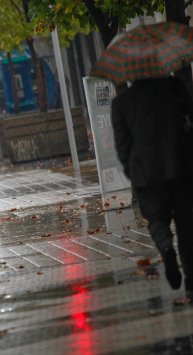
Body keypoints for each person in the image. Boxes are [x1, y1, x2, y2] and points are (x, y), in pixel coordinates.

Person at [112, 76, 193, 302]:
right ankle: (191, 281)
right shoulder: (173, 87)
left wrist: (133, 173)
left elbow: (123, 146)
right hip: (179, 164)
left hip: (145, 173)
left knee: (157, 220)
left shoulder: (122, 102)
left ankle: (167, 249)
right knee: (186, 225)